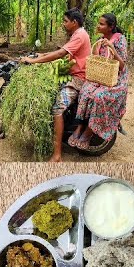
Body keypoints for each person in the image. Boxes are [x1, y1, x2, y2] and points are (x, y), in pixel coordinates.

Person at [21, 9, 91, 163]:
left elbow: (60, 54)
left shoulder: (79, 35)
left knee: (57, 109)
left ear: (74, 22)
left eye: (65, 21)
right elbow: (63, 51)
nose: (63, 24)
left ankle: (57, 155)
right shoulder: (78, 34)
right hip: (74, 75)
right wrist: (41, 56)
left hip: (78, 79)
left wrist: (33, 61)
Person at [70, 13, 129, 149]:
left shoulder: (120, 40)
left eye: (102, 24)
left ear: (111, 27)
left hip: (116, 80)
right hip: (101, 76)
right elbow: (99, 62)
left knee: (99, 96)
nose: (98, 26)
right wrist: (96, 52)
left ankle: (89, 132)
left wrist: (112, 49)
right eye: (99, 23)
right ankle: (79, 127)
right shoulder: (101, 39)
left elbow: (122, 66)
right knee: (85, 91)